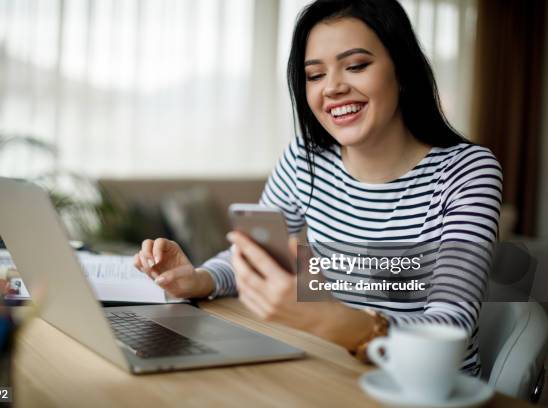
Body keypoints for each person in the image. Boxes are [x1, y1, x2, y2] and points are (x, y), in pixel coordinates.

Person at [134, 0, 501, 376]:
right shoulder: (304, 159)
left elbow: (451, 326)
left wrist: (335, 321)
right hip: (333, 371)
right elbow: (256, 256)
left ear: (401, 69)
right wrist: (199, 279)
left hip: (422, 386)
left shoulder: (467, 171)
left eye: (356, 65)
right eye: (314, 75)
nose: (333, 88)